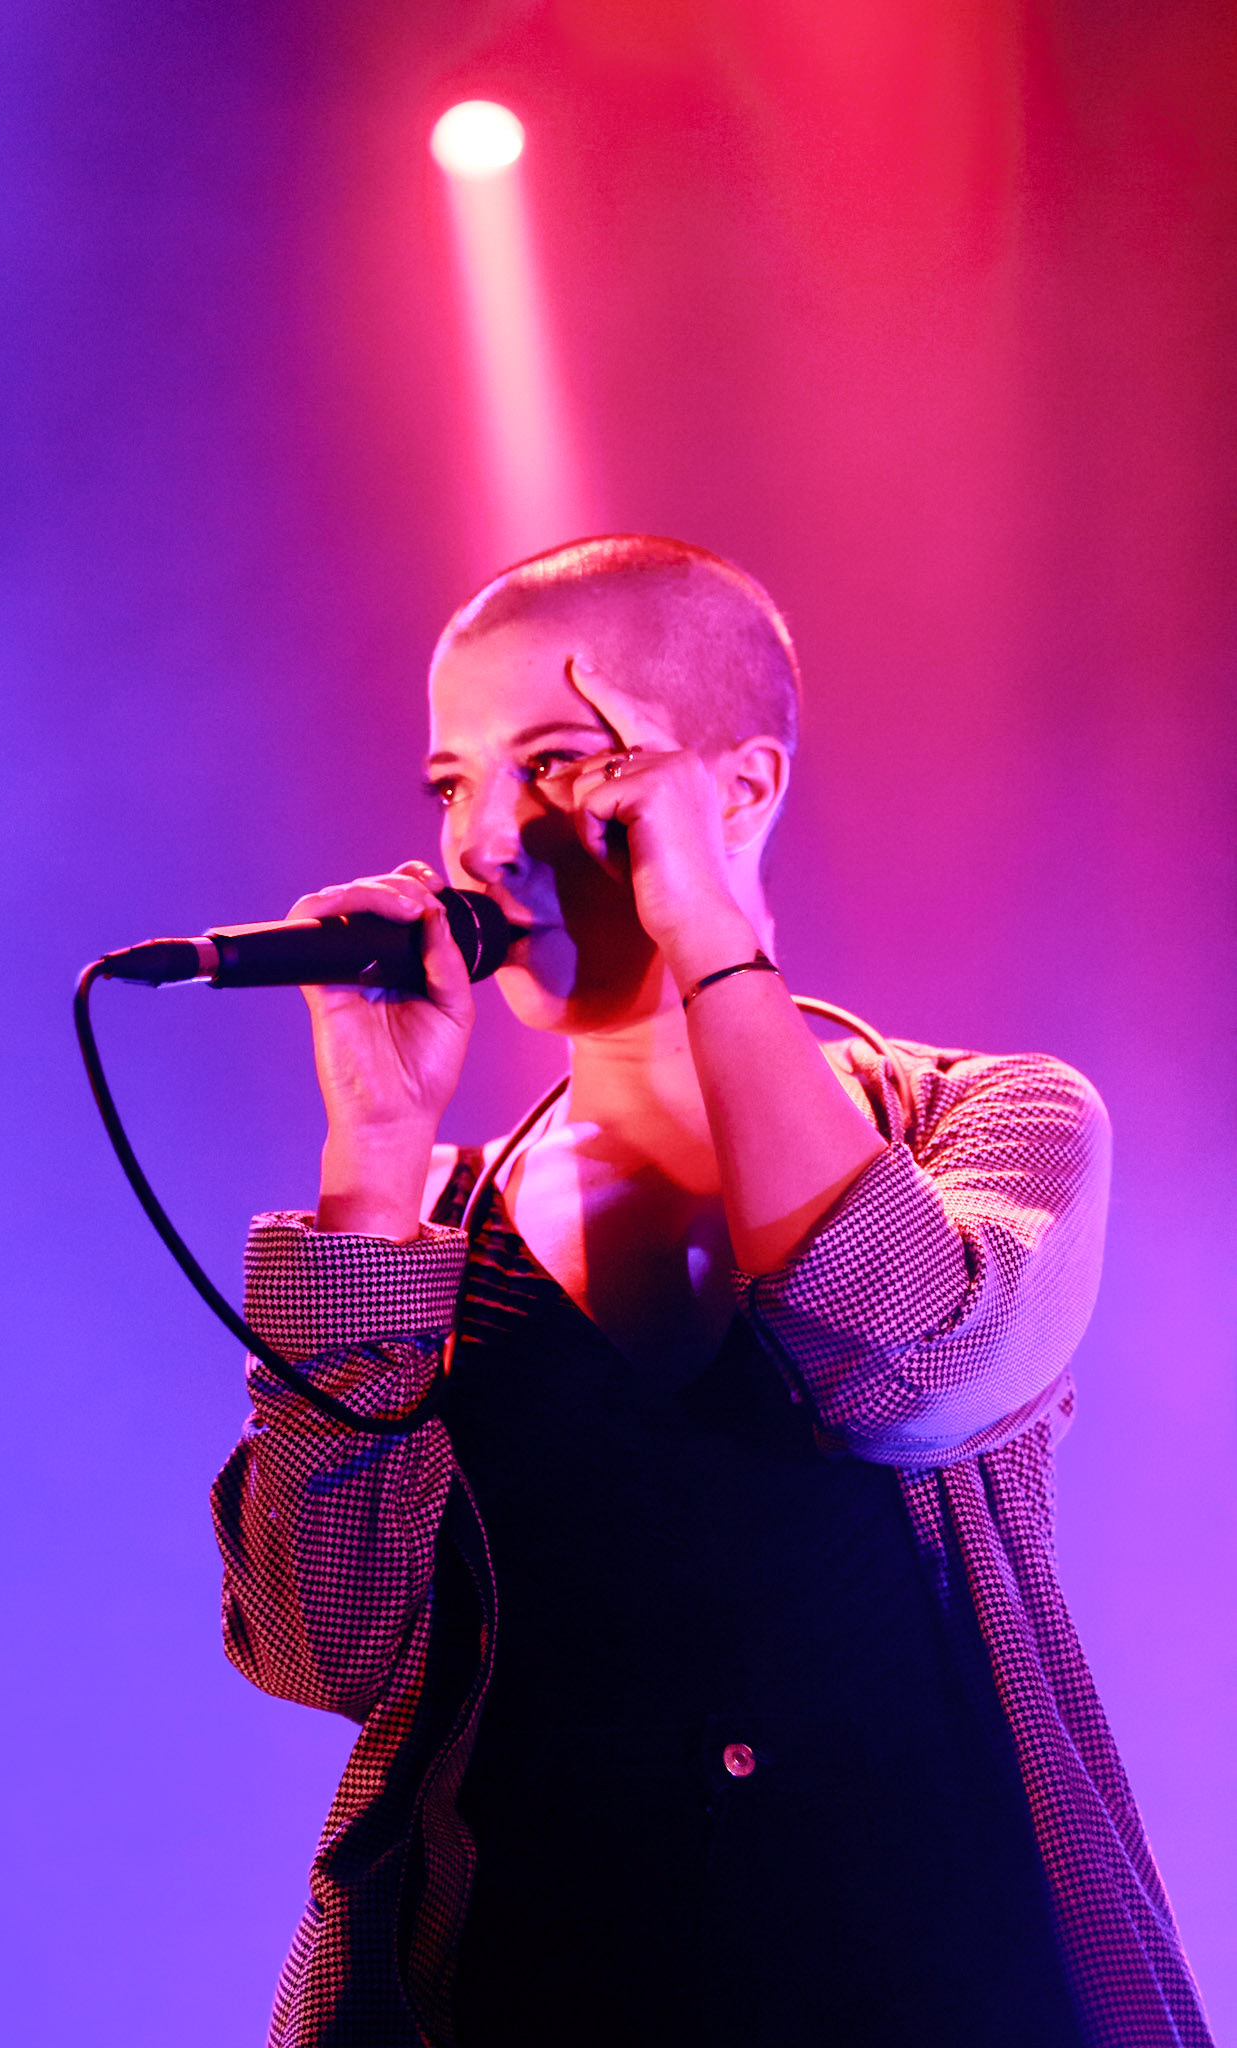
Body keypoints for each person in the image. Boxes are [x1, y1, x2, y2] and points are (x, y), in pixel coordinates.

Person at [211, 536, 1212, 2048]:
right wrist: (373, 1151)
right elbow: (328, 1646)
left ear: (737, 791)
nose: (484, 838)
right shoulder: (422, 1227)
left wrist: (707, 947)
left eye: (556, 765)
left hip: (935, 1991)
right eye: (449, 784)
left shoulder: (986, 1125)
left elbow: (908, 1371)